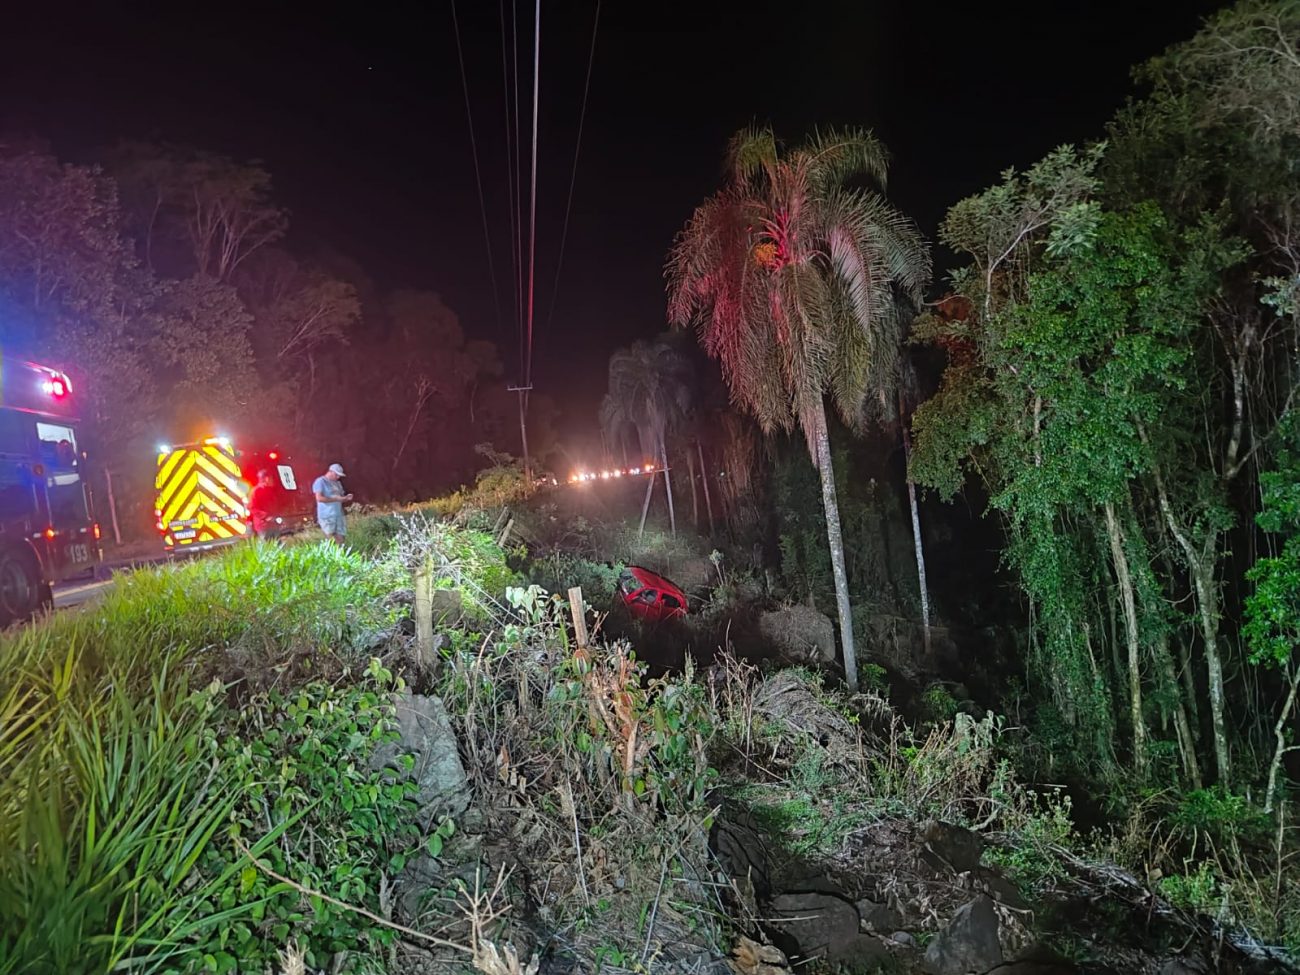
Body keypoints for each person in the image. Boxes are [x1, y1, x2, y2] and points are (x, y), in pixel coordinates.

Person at [312, 462, 353, 544]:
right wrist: (335, 499)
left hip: (338, 515)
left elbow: (340, 498)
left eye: (339, 476)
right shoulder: (320, 481)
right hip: (327, 516)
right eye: (336, 475)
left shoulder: (338, 483)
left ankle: (340, 555)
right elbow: (319, 498)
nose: (338, 477)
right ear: (330, 471)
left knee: (341, 539)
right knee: (331, 539)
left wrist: (345, 498)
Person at [246, 469, 276, 541]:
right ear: (266, 478)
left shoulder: (269, 490)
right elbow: (251, 507)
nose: (273, 480)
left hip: (272, 524)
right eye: (271, 478)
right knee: (267, 546)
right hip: (263, 525)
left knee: (277, 544)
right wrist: (266, 516)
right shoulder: (256, 491)